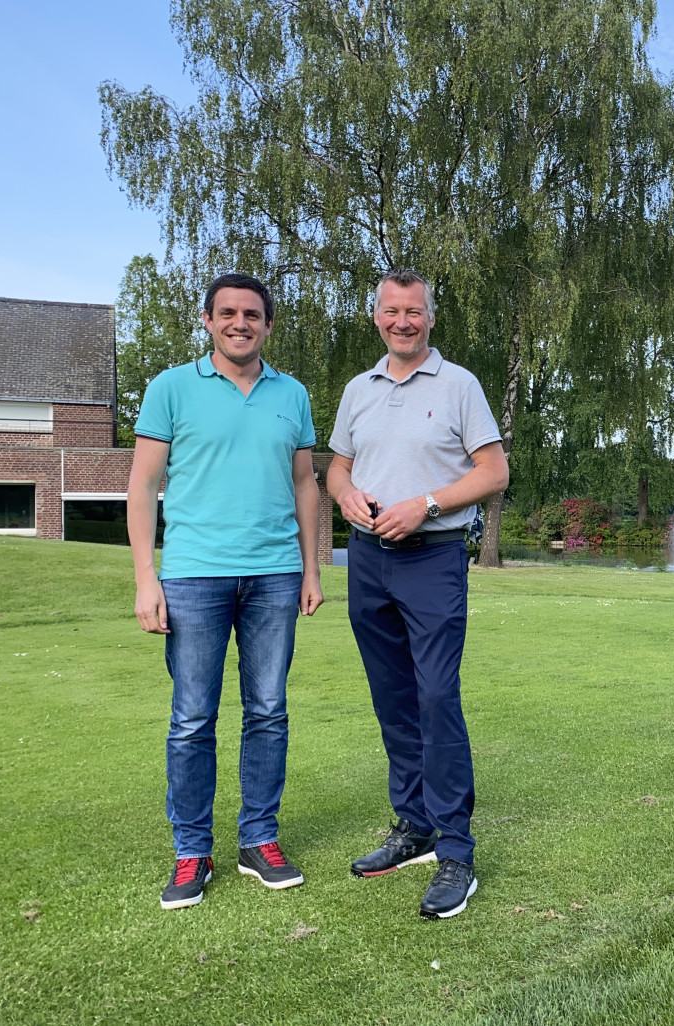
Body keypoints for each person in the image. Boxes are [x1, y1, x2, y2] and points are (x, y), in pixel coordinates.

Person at [127, 273, 324, 910]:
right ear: (208, 320)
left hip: (273, 575)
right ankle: (192, 852)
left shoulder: (292, 394)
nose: (240, 324)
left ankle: (258, 840)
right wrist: (145, 578)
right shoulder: (171, 388)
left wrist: (312, 570)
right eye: (228, 314)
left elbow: (305, 487)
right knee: (192, 719)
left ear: (268, 325)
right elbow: (142, 485)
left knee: (268, 710)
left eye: (253, 315)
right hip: (192, 575)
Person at [327, 268, 508, 920]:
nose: (402, 321)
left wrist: (427, 503)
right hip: (367, 561)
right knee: (394, 700)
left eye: (414, 311)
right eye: (391, 310)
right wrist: (343, 493)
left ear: (431, 317)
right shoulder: (358, 389)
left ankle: (456, 849)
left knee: (435, 698)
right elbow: (338, 466)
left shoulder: (459, 385)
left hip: (431, 558)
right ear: (376, 315)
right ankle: (414, 826)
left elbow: (494, 470)